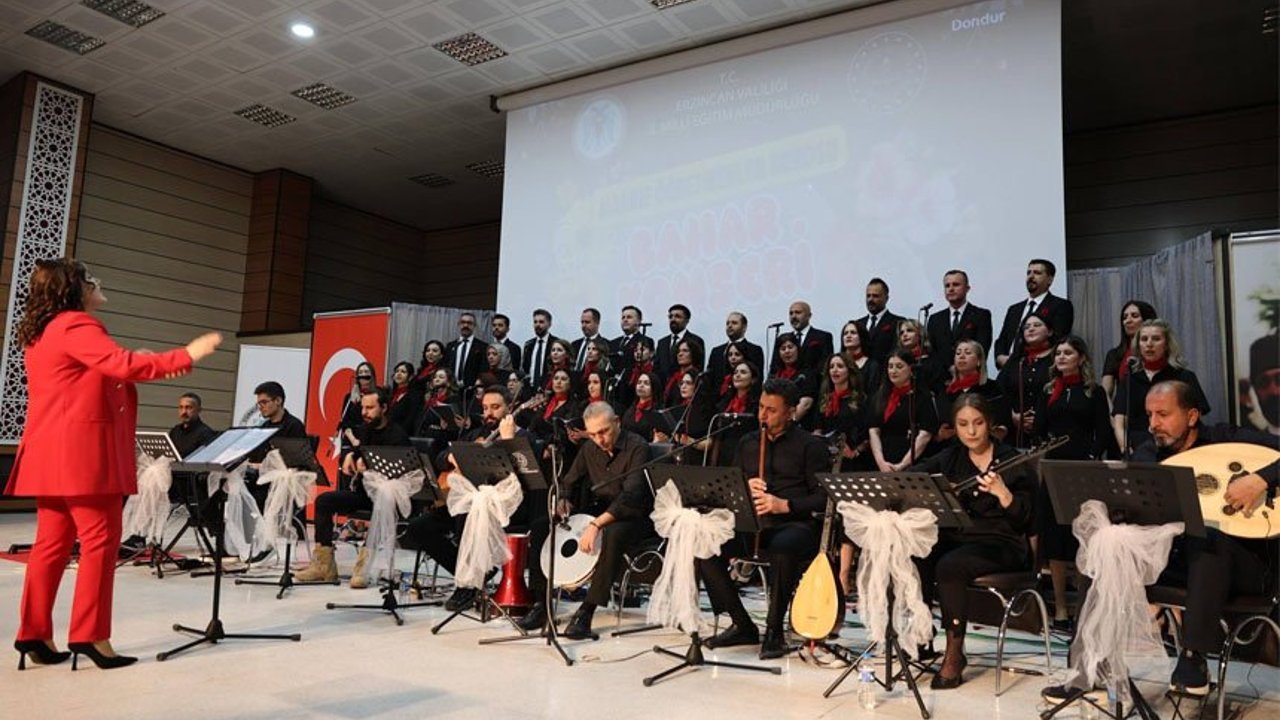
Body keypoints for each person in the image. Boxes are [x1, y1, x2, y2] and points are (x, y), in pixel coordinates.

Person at [6, 259, 221, 671]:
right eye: (89, 279)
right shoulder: (77, 324)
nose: (97, 283)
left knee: (50, 546)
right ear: (74, 290)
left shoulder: (44, 331)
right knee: (100, 541)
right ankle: (90, 635)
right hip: (82, 457)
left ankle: (33, 632)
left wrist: (129, 362)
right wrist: (186, 354)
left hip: (48, 453)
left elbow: (84, 379)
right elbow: (122, 365)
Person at [1046, 380, 1277, 699]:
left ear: (1192, 416)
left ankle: (1194, 660)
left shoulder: (1226, 437)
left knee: (1208, 536)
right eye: (1149, 415)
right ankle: (1087, 665)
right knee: (1103, 547)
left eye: (1163, 415)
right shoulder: (1148, 455)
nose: (1153, 424)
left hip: (1242, 566)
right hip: (1179, 564)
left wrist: (1260, 479)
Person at [909, 394, 1036, 689]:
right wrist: (939, 489)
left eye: (978, 423)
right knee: (918, 551)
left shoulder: (1011, 460)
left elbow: (1026, 520)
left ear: (989, 424)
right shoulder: (950, 457)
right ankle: (922, 633)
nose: (971, 431)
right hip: (961, 537)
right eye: (963, 424)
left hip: (1002, 543)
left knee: (951, 566)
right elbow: (912, 477)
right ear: (954, 427)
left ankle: (954, 654)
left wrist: (1004, 494)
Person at [700, 379, 829, 659]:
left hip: (795, 524)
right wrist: (744, 488)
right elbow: (729, 487)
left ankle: (774, 630)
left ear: (790, 412)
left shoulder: (810, 446)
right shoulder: (748, 442)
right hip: (754, 523)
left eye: (771, 410)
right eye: (760, 407)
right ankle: (742, 624)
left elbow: (823, 498)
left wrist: (784, 505)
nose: (762, 415)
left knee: (784, 547)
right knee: (705, 545)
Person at [518, 402, 654, 638]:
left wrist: (596, 524)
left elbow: (632, 496)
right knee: (542, 526)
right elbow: (569, 480)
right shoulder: (590, 448)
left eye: (604, 432)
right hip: (601, 508)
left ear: (617, 422)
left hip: (636, 515)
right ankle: (541, 604)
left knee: (613, 533)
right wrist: (564, 499)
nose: (599, 440)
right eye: (592, 434)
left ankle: (586, 611)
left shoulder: (637, 447)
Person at [400, 385, 535, 611]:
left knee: (467, 513)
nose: (489, 413)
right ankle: (471, 575)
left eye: (495, 407)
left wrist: (508, 441)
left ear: (509, 408)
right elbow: (441, 456)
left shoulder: (524, 436)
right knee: (419, 528)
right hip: (470, 500)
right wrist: (451, 457)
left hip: (506, 506)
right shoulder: (476, 433)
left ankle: (468, 587)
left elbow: (527, 475)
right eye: (485, 408)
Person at [1030, 335, 1116, 630]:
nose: (1061, 357)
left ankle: (1082, 607)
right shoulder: (1048, 391)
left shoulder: (1094, 391)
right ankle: (1060, 609)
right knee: (1054, 538)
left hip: (1082, 469)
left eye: (1067, 353)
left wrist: (1092, 456)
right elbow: (1038, 429)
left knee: (1081, 536)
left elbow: (1103, 431)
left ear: (1081, 357)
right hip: (1054, 468)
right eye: (1058, 354)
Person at [295, 388, 410, 588]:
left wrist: (371, 467)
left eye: (370, 408)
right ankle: (324, 565)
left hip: (387, 496)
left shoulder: (397, 435)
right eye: (363, 408)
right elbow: (359, 452)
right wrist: (351, 455)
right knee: (324, 501)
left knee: (382, 505)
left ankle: (364, 567)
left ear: (384, 408)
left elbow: (403, 471)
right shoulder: (365, 430)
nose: (364, 412)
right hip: (364, 493)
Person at [1111, 318, 1210, 455]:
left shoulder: (1184, 377)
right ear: (1138, 345)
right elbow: (1119, 423)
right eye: (1144, 339)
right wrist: (1126, 450)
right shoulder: (1130, 380)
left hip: (1177, 449)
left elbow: (1195, 419)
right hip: (1140, 450)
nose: (1149, 344)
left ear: (1167, 344)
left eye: (1156, 339)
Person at [994, 258, 1074, 368]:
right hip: (1009, 368)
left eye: (1037, 273)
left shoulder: (1060, 305)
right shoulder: (1014, 309)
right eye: (1028, 273)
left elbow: (1058, 339)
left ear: (1050, 280)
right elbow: (1002, 339)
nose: (1031, 277)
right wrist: (1000, 357)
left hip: (1040, 368)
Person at [869, 349, 939, 471]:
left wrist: (902, 465)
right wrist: (881, 462)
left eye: (899, 366)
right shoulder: (880, 396)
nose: (893, 371)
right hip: (883, 460)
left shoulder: (922, 397)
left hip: (912, 461)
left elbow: (925, 435)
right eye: (890, 367)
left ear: (911, 369)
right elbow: (873, 430)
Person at [997, 315, 1055, 448]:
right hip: (1015, 432)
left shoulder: (1057, 357)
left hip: (1050, 430)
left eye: (1037, 325)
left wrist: (1040, 419)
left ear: (1050, 331)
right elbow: (999, 391)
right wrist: (1012, 416)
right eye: (1026, 327)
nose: (1031, 329)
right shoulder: (1016, 359)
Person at [935, 340, 1009, 446]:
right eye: (958, 353)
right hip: (951, 448)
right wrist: (940, 435)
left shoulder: (992, 388)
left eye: (968, 353)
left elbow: (1002, 424)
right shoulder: (947, 391)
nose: (961, 356)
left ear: (979, 361)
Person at [927, 269, 993, 363]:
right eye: (947, 286)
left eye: (956, 284)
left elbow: (982, 349)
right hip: (941, 371)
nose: (951, 289)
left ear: (967, 288)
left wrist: (960, 367)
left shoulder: (981, 315)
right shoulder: (935, 319)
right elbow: (931, 351)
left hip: (971, 370)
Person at [1099, 300, 1158, 403]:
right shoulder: (1114, 354)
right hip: (1123, 409)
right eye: (1125, 317)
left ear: (1147, 320)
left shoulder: (1157, 351)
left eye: (1134, 316)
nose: (1128, 321)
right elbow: (1105, 393)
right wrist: (1113, 412)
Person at [771, 301, 833, 375]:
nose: (793, 316)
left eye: (798, 312)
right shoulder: (783, 339)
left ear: (809, 316)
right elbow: (774, 367)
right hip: (785, 380)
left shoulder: (823, 337)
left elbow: (825, 365)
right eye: (791, 313)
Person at [769, 335, 817, 425]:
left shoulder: (806, 373)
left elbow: (806, 404)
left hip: (797, 424)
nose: (787, 351)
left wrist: (786, 423)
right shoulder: (774, 376)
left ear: (797, 349)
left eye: (790, 347)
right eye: (783, 349)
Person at [855, 278, 904, 364]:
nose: (870, 299)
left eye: (875, 296)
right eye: (868, 296)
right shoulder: (858, 324)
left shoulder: (897, 322)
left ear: (886, 298)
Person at [708, 311, 765, 378]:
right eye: (727, 323)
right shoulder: (716, 351)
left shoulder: (755, 350)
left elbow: (758, 378)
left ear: (744, 327)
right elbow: (709, 378)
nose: (729, 326)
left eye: (734, 323)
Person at [655, 303, 704, 379]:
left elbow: (699, 367)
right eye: (670, 317)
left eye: (677, 316)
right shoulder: (662, 343)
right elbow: (657, 368)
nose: (673, 319)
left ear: (687, 320)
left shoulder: (696, 340)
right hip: (664, 385)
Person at [895, 318, 944, 393]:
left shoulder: (933, 361)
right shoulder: (897, 361)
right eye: (901, 333)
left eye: (909, 330)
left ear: (920, 334)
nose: (905, 335)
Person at [841, 320, 882, 400]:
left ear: (861, 337)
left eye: (853, 333)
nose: (848, 336)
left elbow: (873, 395)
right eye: (845, 333)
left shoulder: (872, 366)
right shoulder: (836, 363)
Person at [169, 392, 217, 458]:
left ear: (199, 410)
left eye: (188, 408)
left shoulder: (206, 434)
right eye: (181, 407)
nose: (184, 412)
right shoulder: (175, 431)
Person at [446, 312, 488, 387]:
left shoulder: (482, 347)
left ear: (474, 325)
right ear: (458, 324)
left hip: (472, 388)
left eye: (469, 323)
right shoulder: (450, 346)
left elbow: (483, 369)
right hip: (451, 387)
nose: (466, 325)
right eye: (463, 322)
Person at [621, 371, 665, 441]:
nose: (641, 385)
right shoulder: (630, 410)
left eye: (646, 383)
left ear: (654, 387)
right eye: (639, 382)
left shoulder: (659, 412)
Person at [522, 308, 558, 389]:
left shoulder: (555, 343)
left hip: (548, 388)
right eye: (535, 322)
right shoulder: (528, 345)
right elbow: (525, 368)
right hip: (529, 388)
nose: (537, 325)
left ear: (549, 324)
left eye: (541, 322)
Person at [387, 361, 422, 436]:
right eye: (397, 371)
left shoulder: (414, 395)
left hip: (402, 434)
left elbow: (411, 419)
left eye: (403, 372)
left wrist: (399, 433)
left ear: (410, 377)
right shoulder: (391, 394)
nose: (399, 374)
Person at [610, 305, 644, 376]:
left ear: (639, 321)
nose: (625, 320)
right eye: (623, 317)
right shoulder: (613, 343)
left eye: (629, 317)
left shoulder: (644, 341)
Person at [571, 307, 604, 371]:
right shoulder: (574, 344)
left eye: (587, 322)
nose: (583, 325)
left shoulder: (605, 345)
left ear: (597, 323)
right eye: (582, 322)